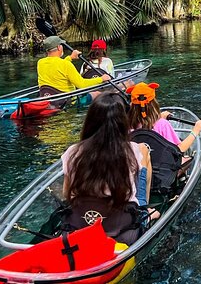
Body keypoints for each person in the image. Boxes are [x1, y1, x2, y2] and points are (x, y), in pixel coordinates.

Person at [62, 92, 159, 245]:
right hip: (123, 227)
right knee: (144, 151)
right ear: (122, 122)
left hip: (82, 223)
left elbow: (67, 193)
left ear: (90, 121)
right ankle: (144, 209)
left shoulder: (72, 152)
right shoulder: (132, 150)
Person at [126, 82, 201, 155]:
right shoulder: (162, 124)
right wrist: (196, 130)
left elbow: (144, 122)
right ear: (154, 103)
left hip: (138, 166)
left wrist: (158, 118)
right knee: (186, 157)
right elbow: (180, 149)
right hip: (161, 167)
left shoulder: (127, 125)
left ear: (132, 105)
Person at [37, 36, 111, 101]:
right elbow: (81, 84)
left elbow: (56, 66)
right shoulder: (66, 65)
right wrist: (101, 79)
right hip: (68, 102)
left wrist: (70, 57)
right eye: (61, 45)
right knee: (96, 94)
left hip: (48, 98)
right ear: (58, 47)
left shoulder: (40, 63)